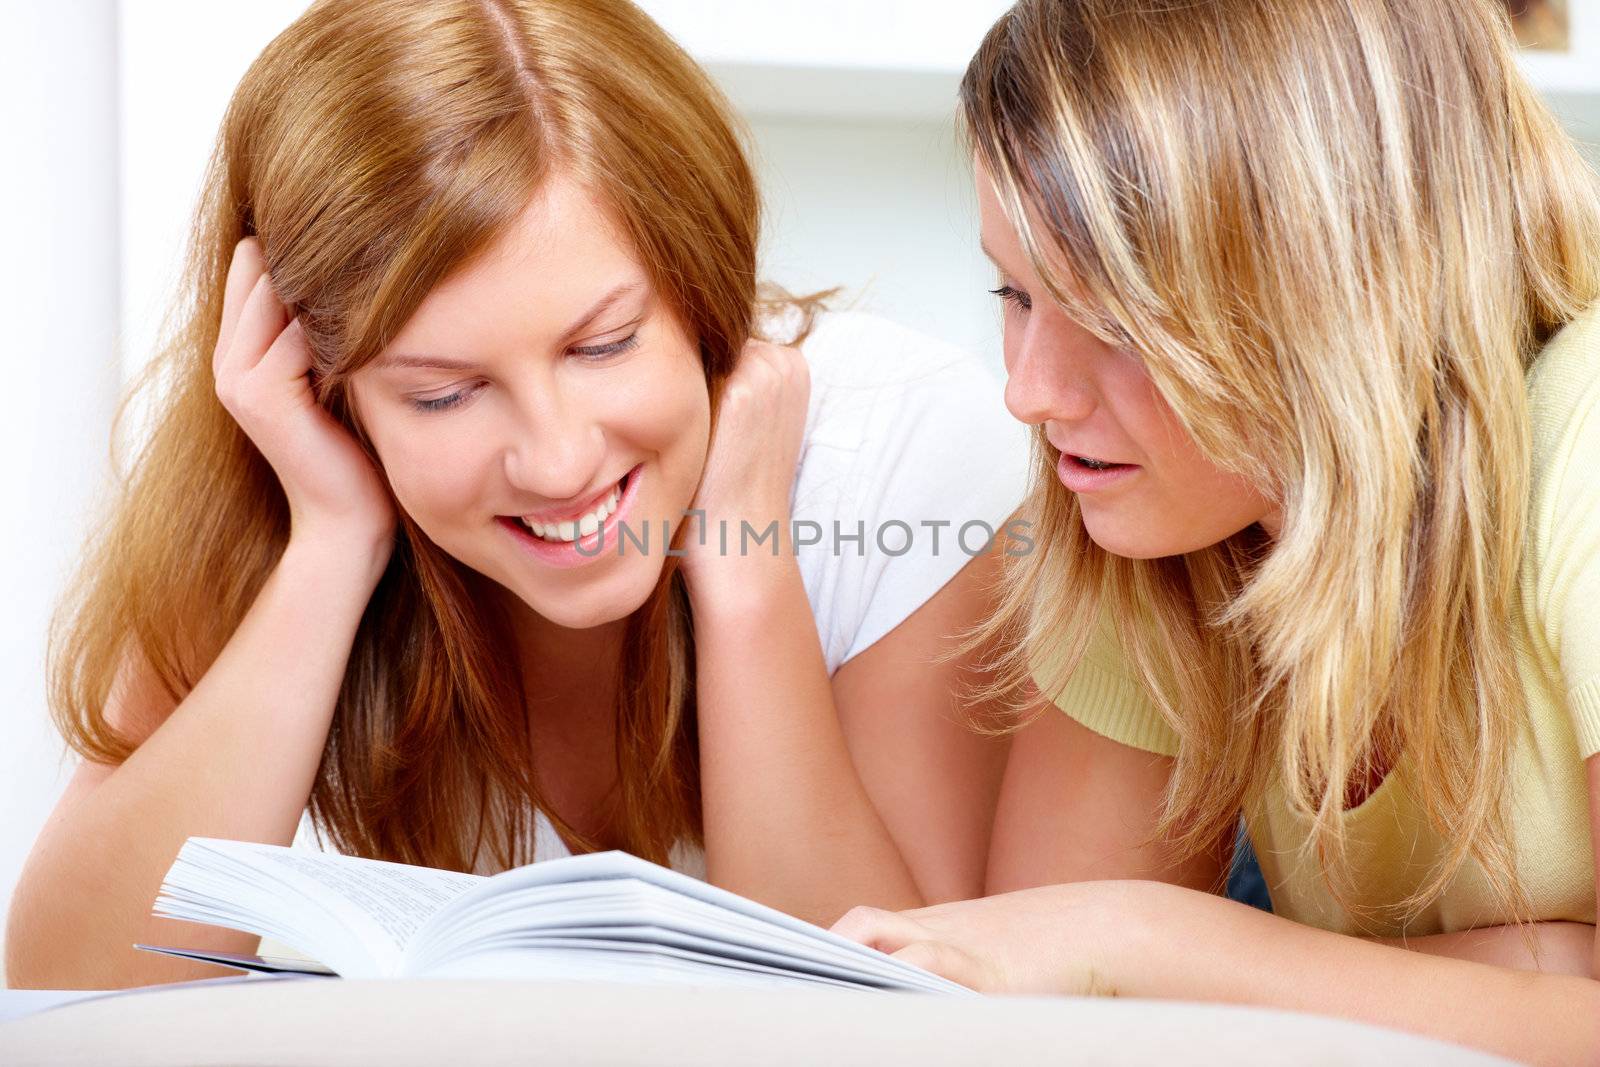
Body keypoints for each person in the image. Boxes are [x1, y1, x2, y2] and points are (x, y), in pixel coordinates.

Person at [5, 0, 1027, 990]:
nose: (555, 460)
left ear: (703, 289)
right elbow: (64, 979)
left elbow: (894, 1007)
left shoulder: (895, 445)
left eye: (604, 344)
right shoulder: (276, 497)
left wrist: (746, 583)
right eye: (443, 393)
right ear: (327, 387)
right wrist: (332, 541)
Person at [832, 1, 1600, 1062]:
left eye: (1113, 320)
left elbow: (1093, 949)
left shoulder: (1586, 431)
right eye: (1012, 293)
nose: (1028, 390)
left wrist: (1153, 938)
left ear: (1336, 278)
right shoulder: (1159, 516)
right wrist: (1538, 971)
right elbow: (1036, 1022)